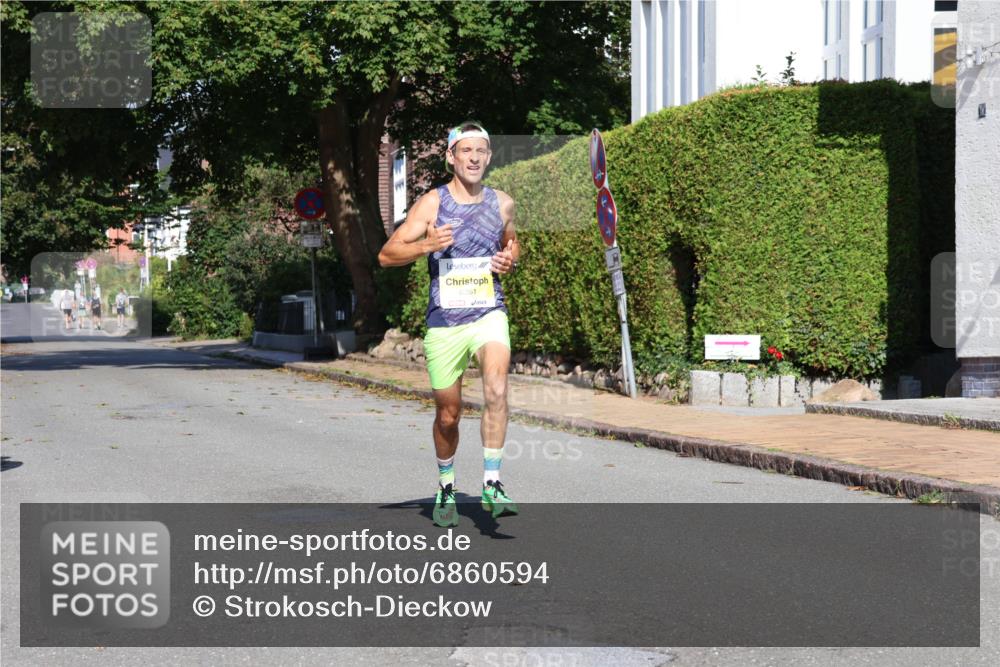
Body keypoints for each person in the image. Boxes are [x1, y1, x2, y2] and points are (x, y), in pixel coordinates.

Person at [378, 121, 521, 527]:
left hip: (489, 312)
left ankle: (492, 482)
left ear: (489, 157)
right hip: (444, 322)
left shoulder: (503, 203)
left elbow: (512, 242)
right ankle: (446, 485)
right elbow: (387, 255)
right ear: (451, 157)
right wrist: (428, 244)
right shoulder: (432, 205)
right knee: (448, 414)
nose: (474, 158)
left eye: (481, 151)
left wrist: (510, 258)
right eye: (466, 151)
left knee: (496, 387)